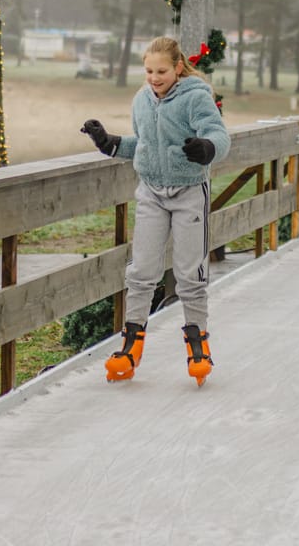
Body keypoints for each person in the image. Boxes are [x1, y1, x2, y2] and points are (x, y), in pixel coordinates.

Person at [80, 36, 230, 387]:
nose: (154, 77)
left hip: (189, 191)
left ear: (178, 68)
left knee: (189, 272)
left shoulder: (196, 97)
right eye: (148, 70)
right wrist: (110, 143)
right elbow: (145, 145)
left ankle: (198, 346)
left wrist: (207, 148)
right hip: (151, 192)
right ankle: (130, 347)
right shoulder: (142, 100)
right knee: (142, 271)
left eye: (161, 71)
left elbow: (219, 136)